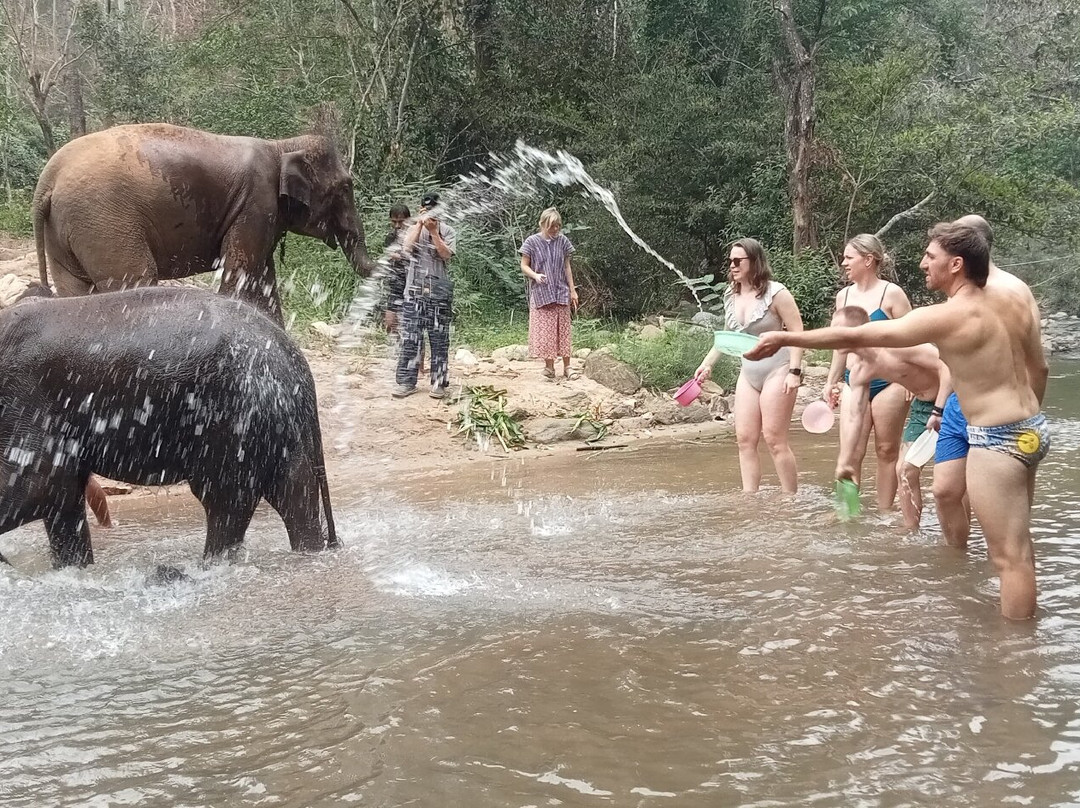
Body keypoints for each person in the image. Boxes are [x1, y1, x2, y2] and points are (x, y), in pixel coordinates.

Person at [746, 221, 1049, 620]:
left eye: (931, 256)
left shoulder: (950, 315)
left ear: (956, 264)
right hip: (1031, 429)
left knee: (1008, 558)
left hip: (995, 439)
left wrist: (786, 339)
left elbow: (860, 335)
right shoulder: (1016, 293)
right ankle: (1020, 640)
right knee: (1019, 547)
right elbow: (1039, 368)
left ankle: (1013, 662)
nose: (923, 263)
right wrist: (1024, 423)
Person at [932, 215, 1048, 548]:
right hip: (959, 404)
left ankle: (1002, 570)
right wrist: (940, 407)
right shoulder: (961, 291)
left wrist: (1025, 417)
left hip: (1003, 416)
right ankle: (958, 563)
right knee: (945, 491)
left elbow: (1035, 366)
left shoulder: (1010, 291)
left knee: (1008, 529)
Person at [694, 238, 805, 494]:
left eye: (737, 261)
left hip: (778, 369)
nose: (732, 266)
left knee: (775, 440)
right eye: (730, 261)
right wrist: (706, 364)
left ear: (754, 262)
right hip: (749, 373)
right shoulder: (730, 295)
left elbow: (798, 332)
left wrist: (794, 371)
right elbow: (725, 336)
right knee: (744, 440)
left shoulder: (777, 293)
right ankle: (749, 498)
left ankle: (791, 500)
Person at [828, 306, 951, 529]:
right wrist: (844, 461)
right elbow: (855, 415)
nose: (832, 337)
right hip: (924, 406)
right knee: (904, 470)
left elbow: (947, 366)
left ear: (860, 331)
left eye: (839, 331)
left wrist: (940, 410)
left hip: (952, 400)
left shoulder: (896, 345)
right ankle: (911, 530)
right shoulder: (859, 370)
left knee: (952, 481)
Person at [822, 234, 913, 512]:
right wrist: (831, 381)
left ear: (868, 259)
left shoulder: (892, 294)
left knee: (886, 451)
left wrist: (913, 378)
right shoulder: (844, 296)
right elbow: (840, 344)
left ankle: (885, 513)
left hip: (890, 383)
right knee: (851, 452)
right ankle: (846, 514)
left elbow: (913, 337)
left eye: (849, 257)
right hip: (854, 381)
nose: (843, 263)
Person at [392, 191, 456, 399]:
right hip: (414, 292)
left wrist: (434, 232)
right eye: (426, 209)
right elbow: (406, 248)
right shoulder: (412, 229)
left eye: (433, 210)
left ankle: (438, 383)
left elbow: (446, 254)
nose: (430, 213)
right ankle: (406, 382)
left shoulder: (448, 231)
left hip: (439, 292)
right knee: (410, 339)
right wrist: (420, 224)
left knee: (438, 340)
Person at [520, 207, 580, 380]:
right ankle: (549, 367)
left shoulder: (563, 241)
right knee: (547, 332)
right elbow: (524, 265)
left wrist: (572, 290)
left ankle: (568, 367)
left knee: (563, 330)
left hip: (561, 291)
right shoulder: (531, 242)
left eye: (557, 226)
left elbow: (567, 266)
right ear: (542, 224)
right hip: (542, 292)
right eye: (551, 226)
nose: (555, 230)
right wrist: (535, 275)